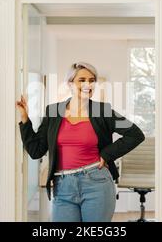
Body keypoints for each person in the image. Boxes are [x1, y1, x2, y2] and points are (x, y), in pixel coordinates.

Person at [16, 61, 145, 222]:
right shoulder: (53, 111)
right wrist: (24, 118)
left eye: (92, 80)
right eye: (82, 80)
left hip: (96, 183)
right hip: (62, 186)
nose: (88, 84)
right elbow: (36, 151)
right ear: (70, 83)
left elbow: (135, 134)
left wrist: (107, 154)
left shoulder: (103, 111)